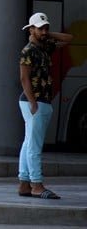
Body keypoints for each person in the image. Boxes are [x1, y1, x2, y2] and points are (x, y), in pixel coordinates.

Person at [17, 12, 72, 200]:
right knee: (34, 145)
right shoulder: (28, 50)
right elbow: (24, 78)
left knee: (28, 142)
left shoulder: (45, 47)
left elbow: (69, 39)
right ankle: (37, 185)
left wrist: (49, 34)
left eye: (45, 28)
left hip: (42, 101)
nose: (44, 31)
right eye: (40, 28)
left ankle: (24, 183)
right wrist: (33, 102)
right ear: (30, 29)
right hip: (34, 101)